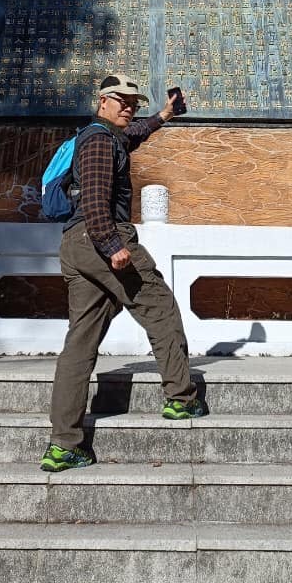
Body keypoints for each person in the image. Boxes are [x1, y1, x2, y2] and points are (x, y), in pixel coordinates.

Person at [41, 72, 205, 473]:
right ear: (102, 101)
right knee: (160, 307)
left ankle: (64, 445)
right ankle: (181, 399)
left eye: (134, 102)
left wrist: (165, 114)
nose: (129, 107)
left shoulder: (105, 136)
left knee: (80, 342)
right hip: (103, 237)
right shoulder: (99, 140)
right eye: (121, 100)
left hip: (74, 248)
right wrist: (113, 246)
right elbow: (96, 197)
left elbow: (135, 133)